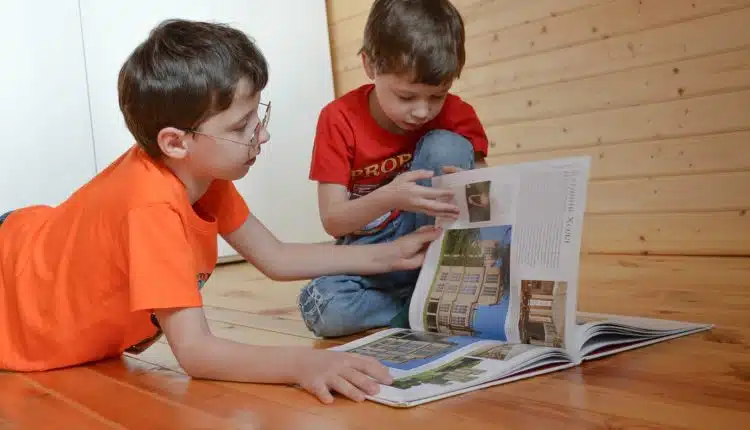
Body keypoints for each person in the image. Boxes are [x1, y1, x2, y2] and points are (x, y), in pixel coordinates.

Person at [0, 19, 444, 405]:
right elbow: (196, 353)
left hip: (29, 242)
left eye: (257, 116)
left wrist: (390, 254)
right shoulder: (153, 206)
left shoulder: (199, 173)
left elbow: (277, 257)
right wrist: (303, 364)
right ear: (176, 141)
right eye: (241, 126)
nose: (261, 136)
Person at [298, 0, 489, 338]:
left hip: (435, 248)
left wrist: (472, 188)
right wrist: (392, 196)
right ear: (369, 65)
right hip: (369, 256)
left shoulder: (458, 115)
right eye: (406, 96)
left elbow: (489, 195)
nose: (422, 111)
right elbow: (333, 220)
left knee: (446, 144)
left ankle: (432, 290)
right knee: (323, 305)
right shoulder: (339, 119)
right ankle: (420, 305)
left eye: (437, 96)